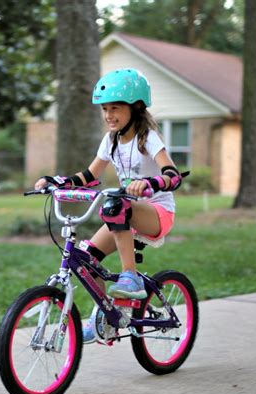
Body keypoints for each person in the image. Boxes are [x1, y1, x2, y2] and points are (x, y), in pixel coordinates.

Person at [34, 68, 186, 343]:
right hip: (126, 212)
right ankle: (105, 318)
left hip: (158, 213)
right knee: (87, 260)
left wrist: (151, 183)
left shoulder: (146, 137)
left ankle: (131, 277)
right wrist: (58, 182)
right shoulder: (111, 140)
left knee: (115, 205)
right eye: (105, 109)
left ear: (136, 107)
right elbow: (91, 176)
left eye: (115, 108)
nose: (108, 115)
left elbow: (172, 175)